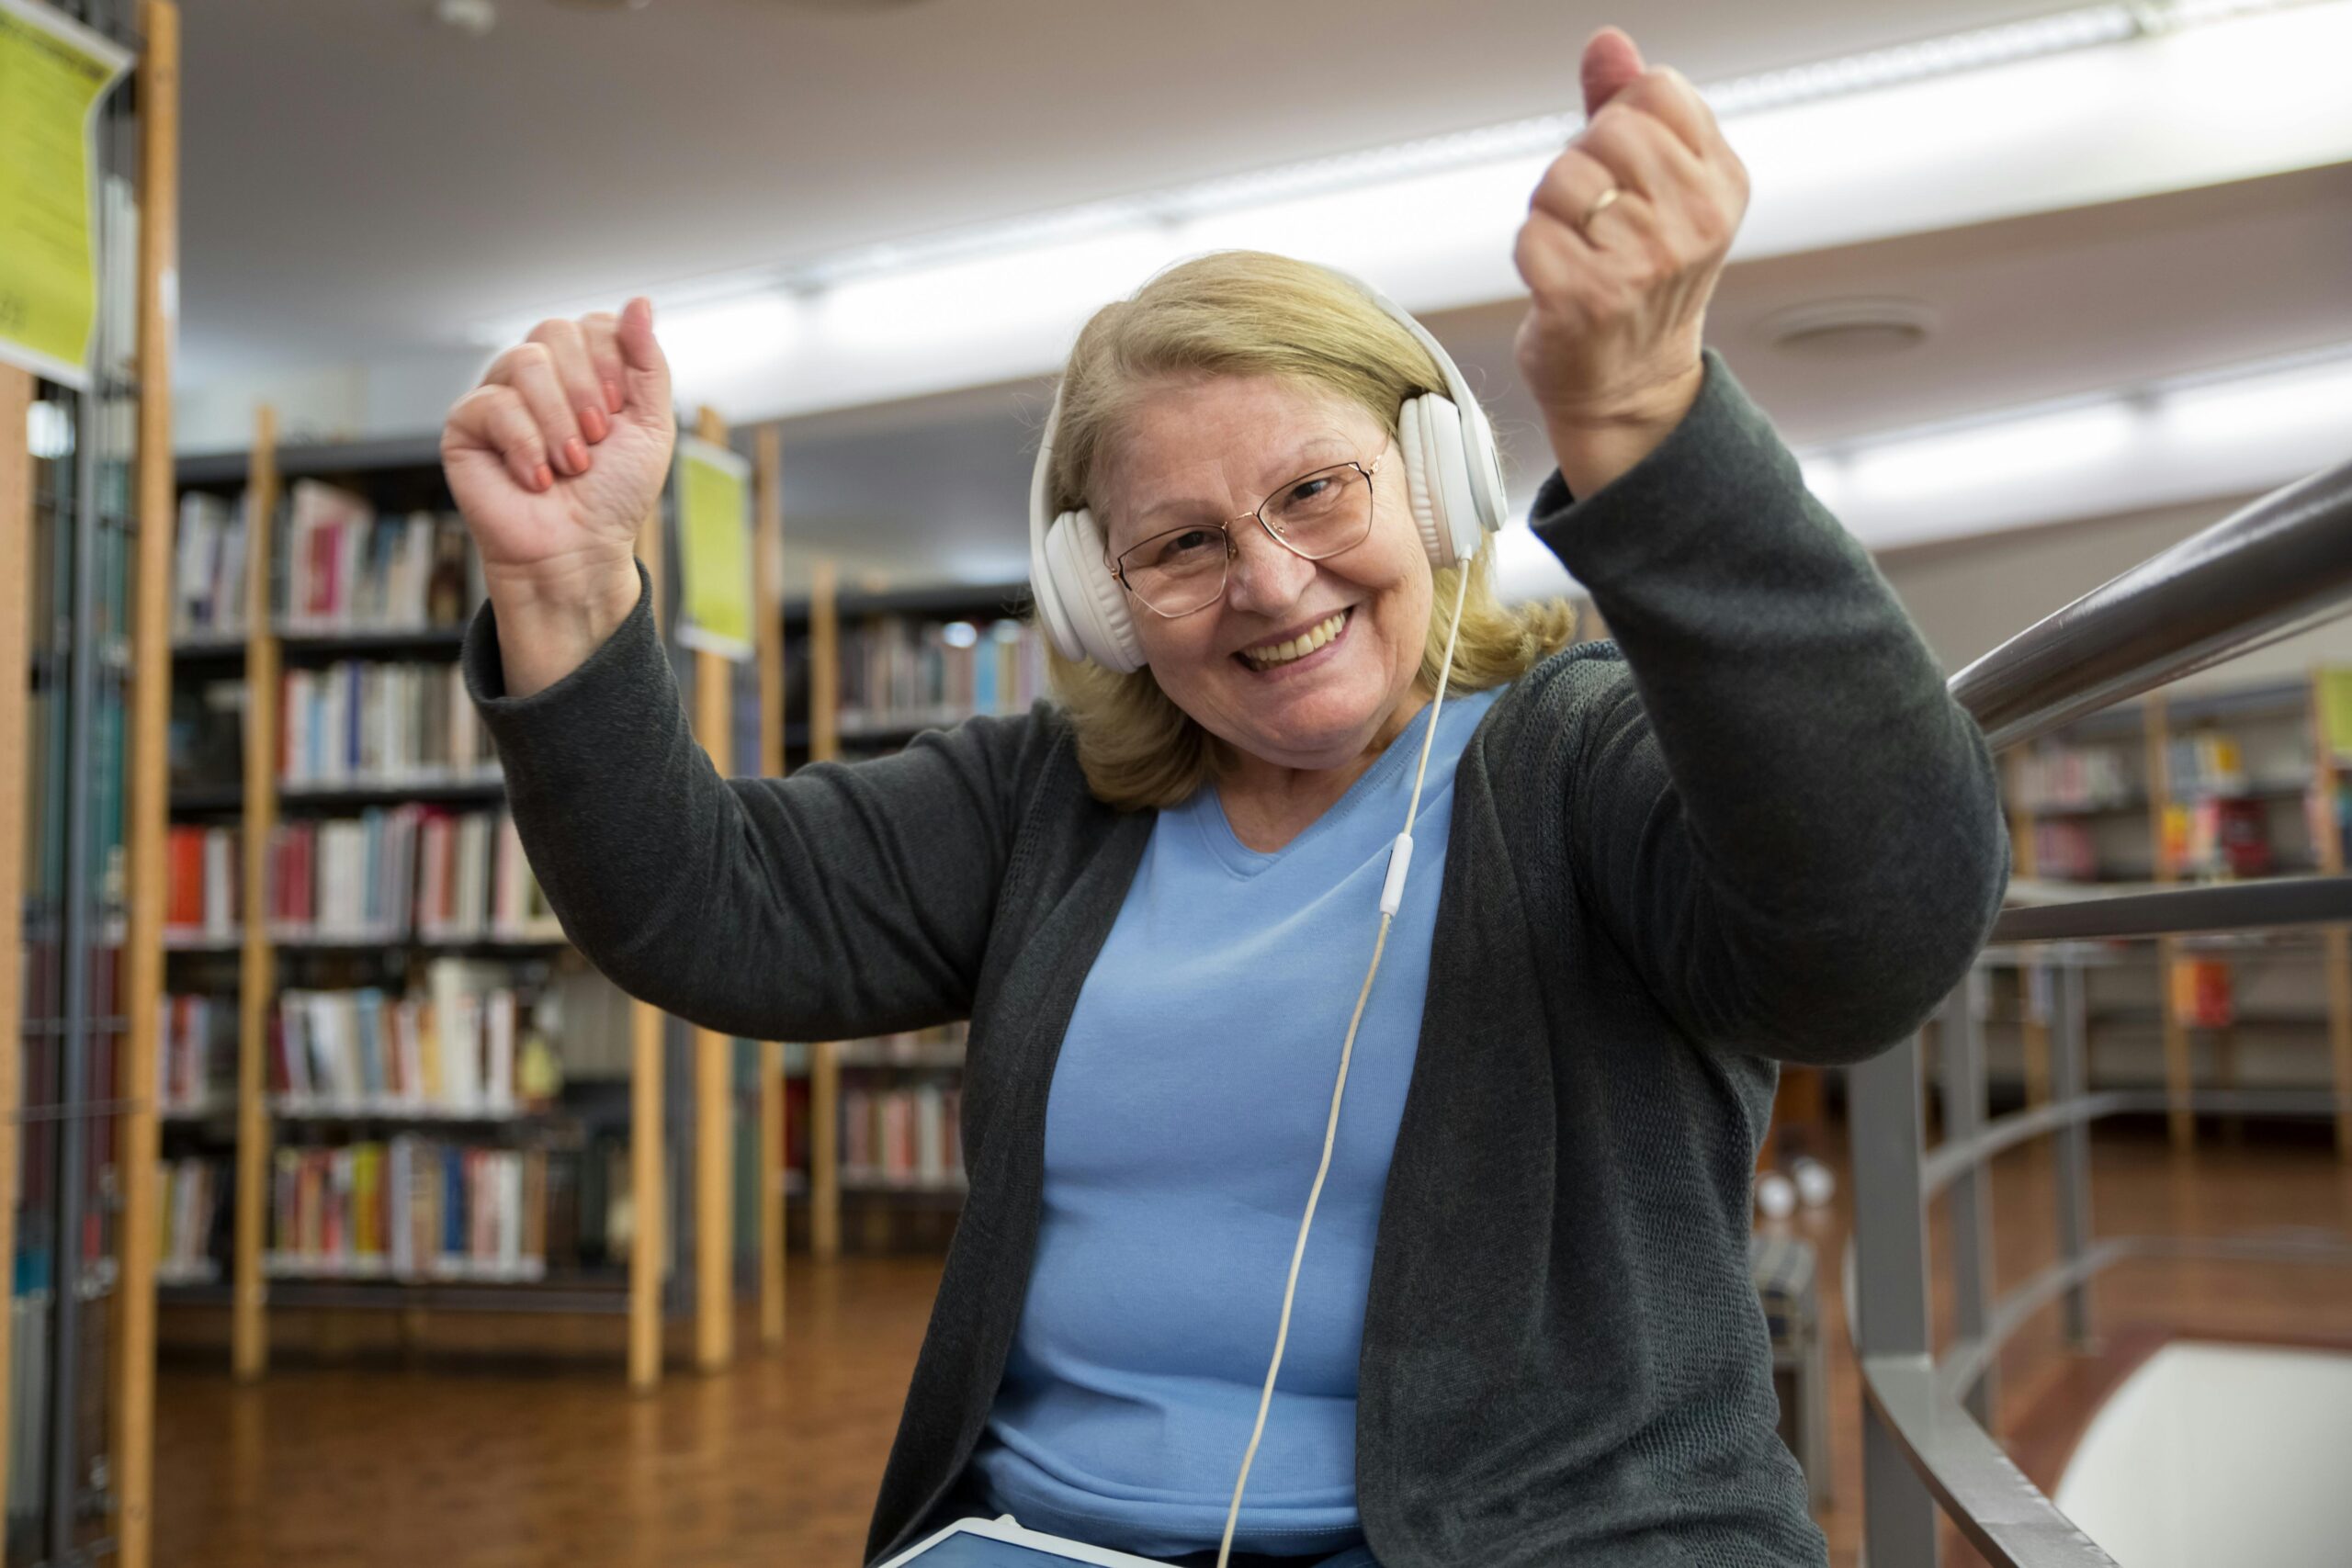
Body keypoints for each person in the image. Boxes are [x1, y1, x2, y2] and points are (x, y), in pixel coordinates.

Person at [442, 26, 2007, 1568]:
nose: (1268, 580)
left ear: (1438, 480)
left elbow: (1878, 929)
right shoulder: (1043, 803)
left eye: (1315, 490)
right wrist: (571, 591)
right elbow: (709, 908)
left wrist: (1651, 425)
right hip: (1052, 1543)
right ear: (1100, 598)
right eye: (1180, 544)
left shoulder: (1578, 755)